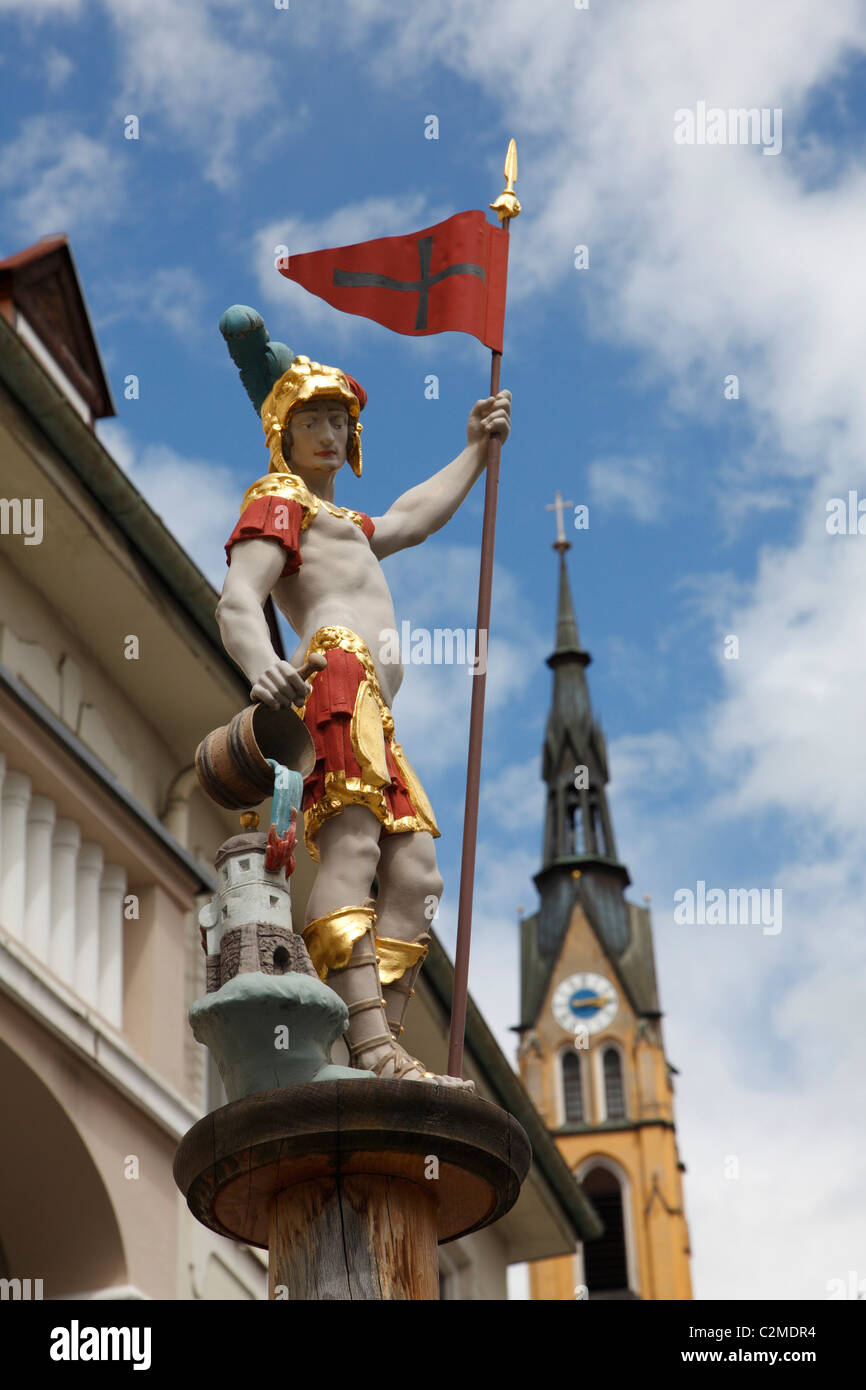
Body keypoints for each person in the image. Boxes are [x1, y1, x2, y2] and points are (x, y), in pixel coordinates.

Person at [217, 347, 510, 1084]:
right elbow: (237, 598)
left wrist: (476, 448)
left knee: (416, 881)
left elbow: (413, 517)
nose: (327, 434)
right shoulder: (280, 500)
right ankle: (375, 1048)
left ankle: (373, 1042)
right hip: (335, 680)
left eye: (339, 423)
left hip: (374, 704)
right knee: (350, 853)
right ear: (283, 431)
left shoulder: (344, 519)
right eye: (311, 420)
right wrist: (263, 668)